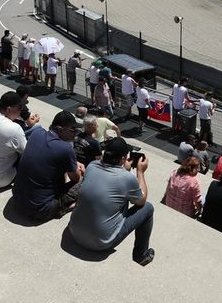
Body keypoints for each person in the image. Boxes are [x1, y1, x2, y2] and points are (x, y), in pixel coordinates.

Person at [68, 137, 155, 266]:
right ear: (123, 159)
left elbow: (109, 183)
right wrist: (140, 172)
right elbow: (140, 202)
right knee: (148, 208)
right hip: (100, 243)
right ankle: (141, 256)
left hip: (74, 232)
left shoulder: (91, 165)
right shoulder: (127, 178)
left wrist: (123, 169)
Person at [11, 110, 84, 221]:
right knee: (85, 180)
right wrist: (76, 167)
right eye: (72, 130)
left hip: (17, 200)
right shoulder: (66, 149)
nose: (75, 133)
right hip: (39, 211)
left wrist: (73, 162)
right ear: (60, 129)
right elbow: (76, 178)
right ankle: (63, 208)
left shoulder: (37, 132)